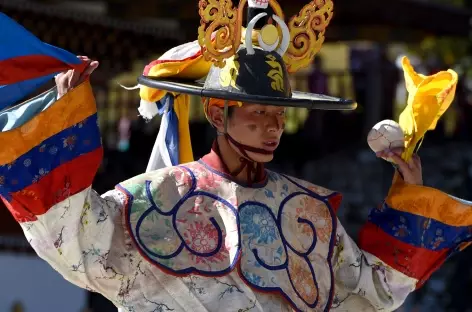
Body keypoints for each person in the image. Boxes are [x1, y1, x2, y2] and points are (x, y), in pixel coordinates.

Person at [0, 1, 470, 312]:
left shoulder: (309, 213)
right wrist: (55, 120)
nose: (272, 127)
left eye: (279, 114)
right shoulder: (158, 194)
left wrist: (407, 199)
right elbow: (76, 241)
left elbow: (371, 291)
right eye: (257, 113)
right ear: (218, 113)